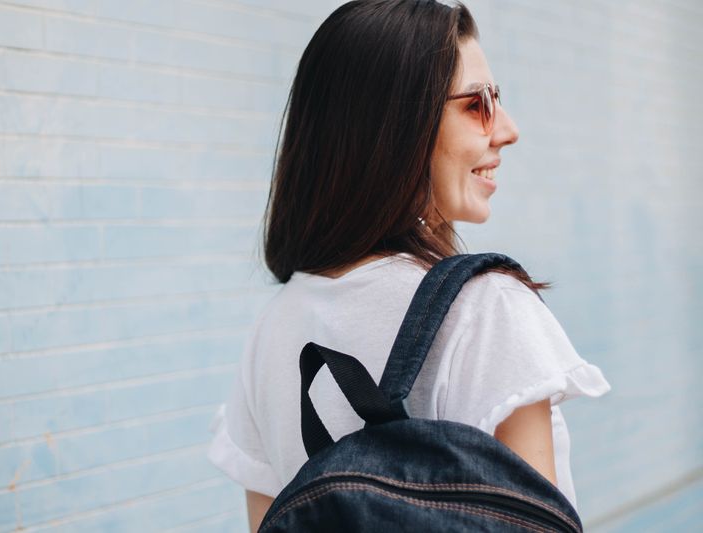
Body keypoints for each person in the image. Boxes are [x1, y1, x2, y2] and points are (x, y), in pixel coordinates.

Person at [207, 1, 611, 531]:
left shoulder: (275, 326)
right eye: (477, 105)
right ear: (397, 127)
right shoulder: (486, 311)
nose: (507, 130)